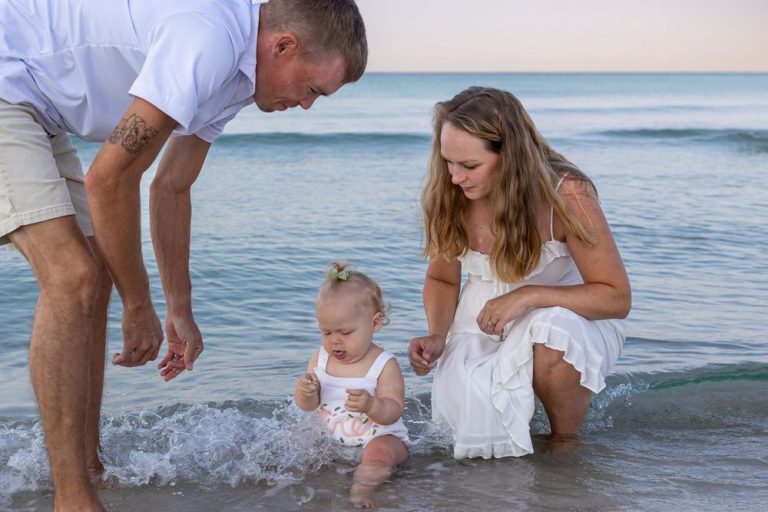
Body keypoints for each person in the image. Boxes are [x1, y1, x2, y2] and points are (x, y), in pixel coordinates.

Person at [0, 0, 367, 509]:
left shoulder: (242, 78)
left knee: (95, 277)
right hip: (6, 83)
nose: (308, 106)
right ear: (283, 46)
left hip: (36, 104)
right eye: (312, 90)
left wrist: (179, 310)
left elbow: (171, 186)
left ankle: (88, 466)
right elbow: (109, 180)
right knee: (74, 275)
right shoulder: (207, 41)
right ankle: (73, 499)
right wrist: (138, 307)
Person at [407, 87, 631, 459]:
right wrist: (436, 335)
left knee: (551, 333)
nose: (454, 178)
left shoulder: (566, 195)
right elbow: (443, 278)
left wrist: (526, 296)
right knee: (473, 425)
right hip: (482, 318)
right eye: (448, 162)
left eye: (469, 166)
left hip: (571, 317)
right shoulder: (452, 196)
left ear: (509, 156)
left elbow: (616, 297)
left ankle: (564, 442)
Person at [295, 262, 409, 508]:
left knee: (380, 456)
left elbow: (393, 410)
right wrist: (305, 391)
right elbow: (308, 406)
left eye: (345, 333)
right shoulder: (320, 359)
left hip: (379, 435)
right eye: (326, 333)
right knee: (301, 453)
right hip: (333, 437)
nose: (335, 340)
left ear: (375, 323)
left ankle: (362, 492)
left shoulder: (384, 363)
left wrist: (371, 404)